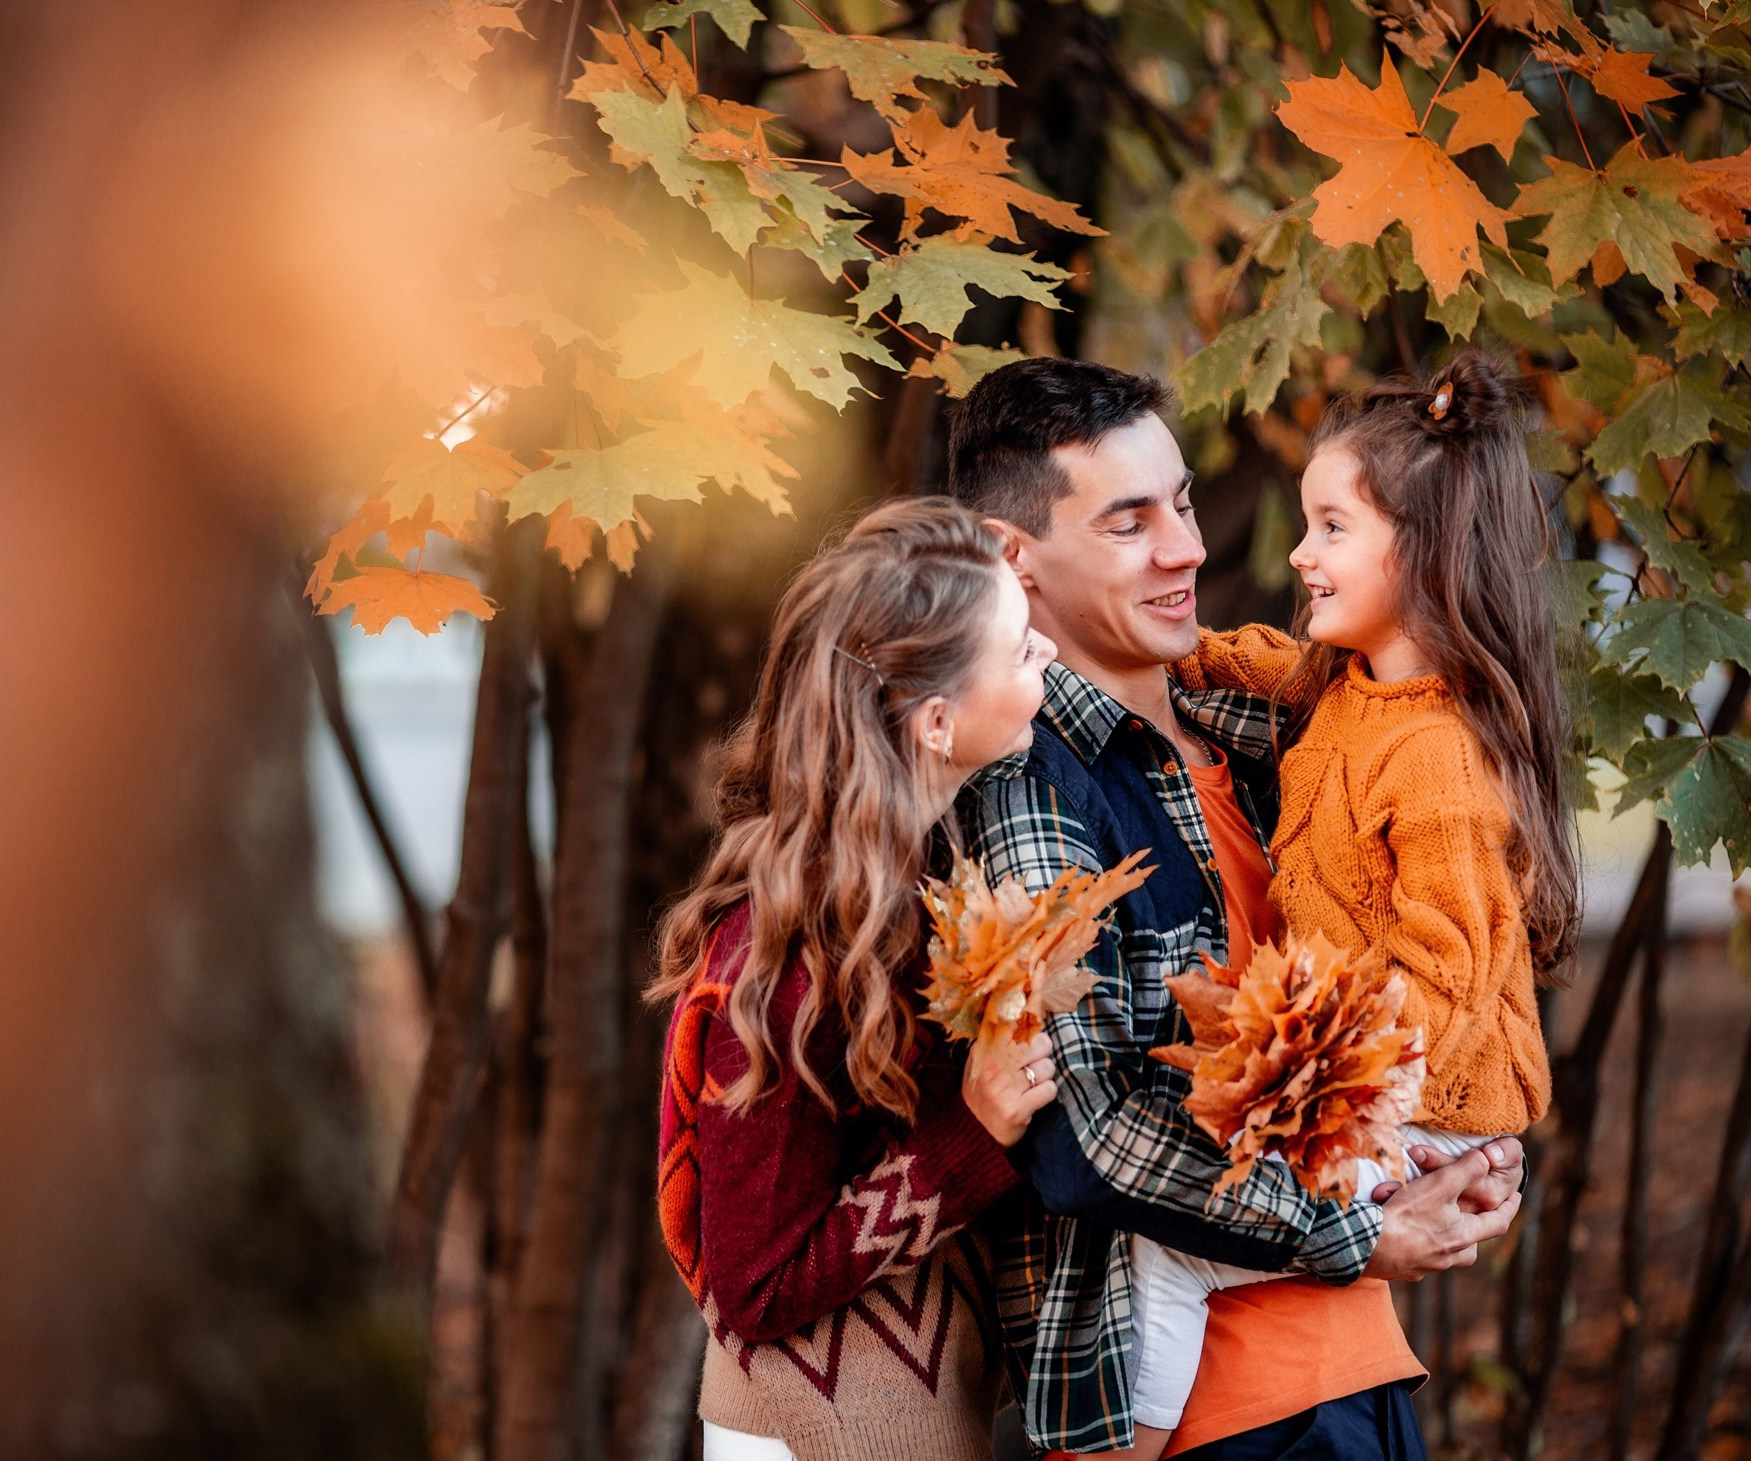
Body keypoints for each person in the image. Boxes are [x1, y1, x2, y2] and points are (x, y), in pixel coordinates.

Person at [944, 357, 1528, 1461]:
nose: (1187, 548)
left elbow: (1455, 946)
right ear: (1011, 558)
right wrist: (1361, 1229)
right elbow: (1085, 1131)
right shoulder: (1028, 781)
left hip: (1357, 1378)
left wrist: (1471, 1144)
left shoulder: (1285, 739)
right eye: (1128, 523)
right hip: (1202, 1421)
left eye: (1183, 500)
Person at [1112, 354, 1573, 1459]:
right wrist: (1184, 650)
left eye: (1329, 529)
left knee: (1169, 1245)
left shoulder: (1439, 761)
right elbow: (1268, 666)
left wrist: (1312, 1083)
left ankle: (1125, 1445)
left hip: (1420, 1095)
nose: (1297, 555)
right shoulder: (1352, 691)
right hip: (1379, 1082)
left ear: (1421, 553)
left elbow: (1446, 973)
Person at [649, 497, 1062, 1461]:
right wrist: (970, 1137)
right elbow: (753, 1287)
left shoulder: (920, 883)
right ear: (934, 720)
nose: (1044, 651)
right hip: (815, 1429)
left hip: (908, 1402)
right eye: (1016, 647)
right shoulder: (786, 954)